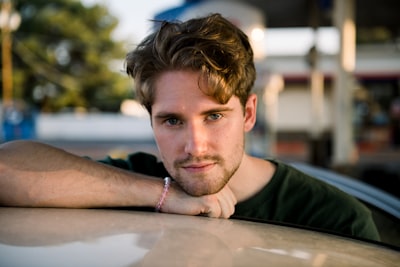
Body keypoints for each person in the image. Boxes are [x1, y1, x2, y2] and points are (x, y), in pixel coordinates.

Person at [0, 13, 379, 241]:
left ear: (248, 114)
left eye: (213, 116)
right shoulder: (139, 183)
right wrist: (161, 194)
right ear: (150, 120)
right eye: (171, 120)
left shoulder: (335, 219)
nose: (194, 146)